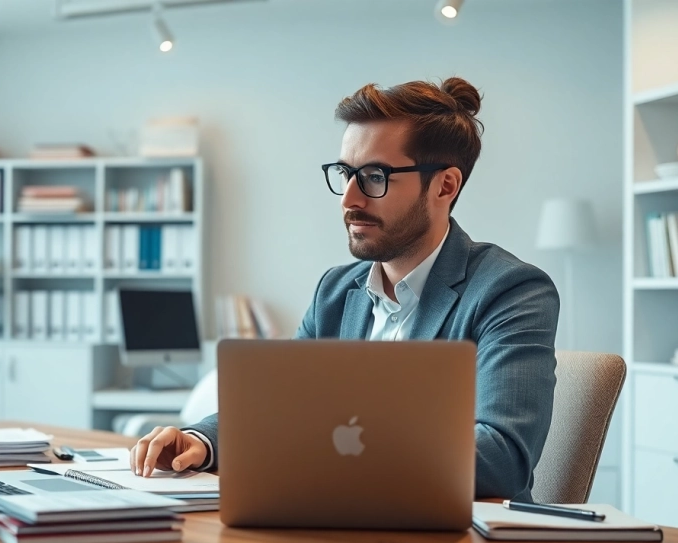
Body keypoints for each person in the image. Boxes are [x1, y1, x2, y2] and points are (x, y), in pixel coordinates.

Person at [129, 77, 560, 502]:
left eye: (374, 176)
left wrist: (320, 447)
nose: (349, 199)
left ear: (445, 186)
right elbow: (280, 406)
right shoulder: (335, 292)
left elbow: (502, 458)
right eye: (345, 173)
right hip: (335, 519)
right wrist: (201, 442)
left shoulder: (511, 291)